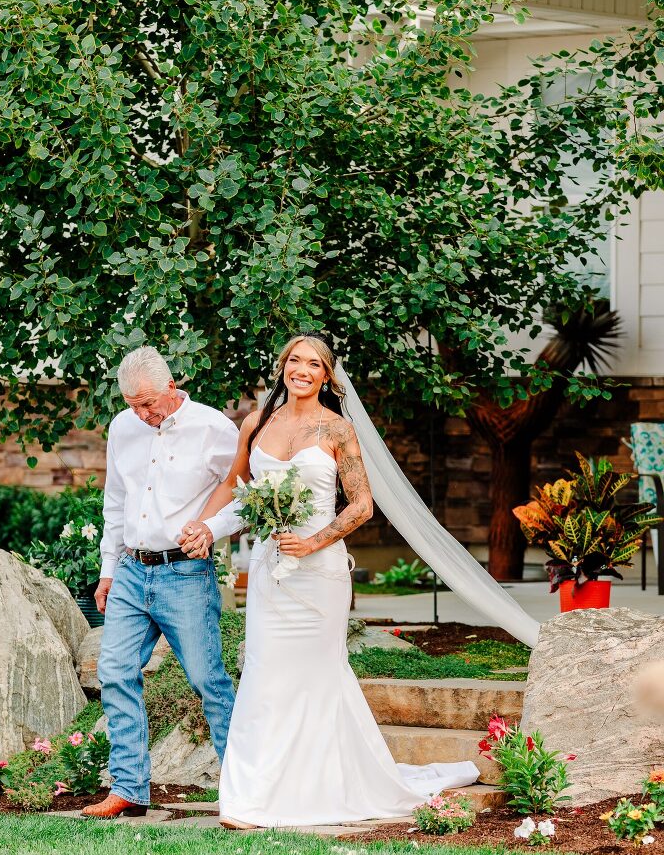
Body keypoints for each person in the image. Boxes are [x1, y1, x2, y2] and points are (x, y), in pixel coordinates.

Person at [180, 333, 479, 828]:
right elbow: (237, 487)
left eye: (313, 364)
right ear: (282, 368)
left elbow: (362, 505)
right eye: (294, 360)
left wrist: (314, 541)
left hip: (319, 576)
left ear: (326, 375)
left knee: (317, 678)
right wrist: (206, 527)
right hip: (270, 574)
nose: (302, 369)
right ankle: (253, 797)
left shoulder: (338, 431)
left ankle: (318, 788)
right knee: (264, 675)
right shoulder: (256, 424)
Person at [82, 346, 239, 819]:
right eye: (133, 404)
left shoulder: (214, 428)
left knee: (206, 679)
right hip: (131, 569)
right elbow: (115, 500)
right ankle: (129, 788)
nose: (143, 413)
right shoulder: (122, 427)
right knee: (113, 672)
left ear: (173, 386)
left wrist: (213, 528)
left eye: (149, 402)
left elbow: (247, 494)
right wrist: (108, 569)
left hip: (184, 574)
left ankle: (243, 788)